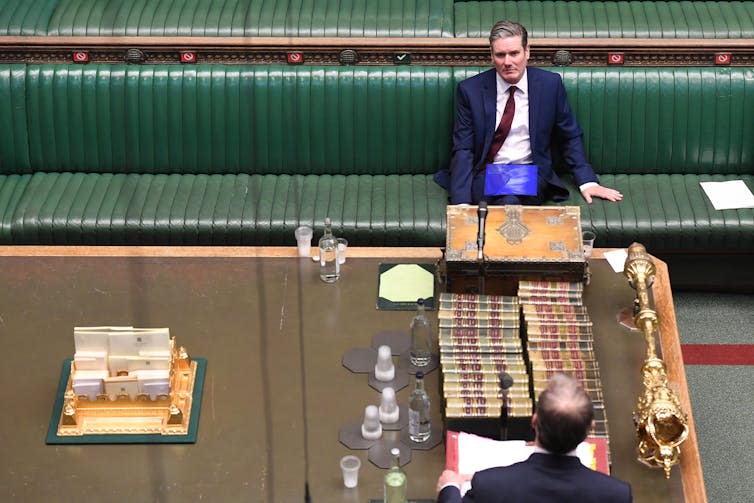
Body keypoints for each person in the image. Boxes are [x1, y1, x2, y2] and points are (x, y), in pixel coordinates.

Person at [435, 20, 623, 206]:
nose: (507, 62)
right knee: (509, 200)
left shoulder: (550, 85)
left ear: (527, 51)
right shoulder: (470, 90)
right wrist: (461, 202)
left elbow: (569, 136)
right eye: (500, 55)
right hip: (485, 173)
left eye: (514, 53)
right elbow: (464, 147)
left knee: (509, 200)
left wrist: (587, 181)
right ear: (492, 56)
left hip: (531, 172)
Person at [436, 373, 632, 503]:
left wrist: (450, 485)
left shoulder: (489, 485)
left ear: (534, 421)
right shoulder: (616, 495)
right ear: (591, 429)